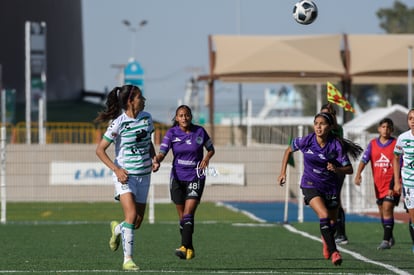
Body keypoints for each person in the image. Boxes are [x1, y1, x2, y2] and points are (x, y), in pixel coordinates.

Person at [278, 112, 362, 266]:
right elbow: (288, 150)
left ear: (329, 127)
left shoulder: (336, 145)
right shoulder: (307, 140)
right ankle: (334, 252)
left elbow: (349, 169)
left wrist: (337, 169)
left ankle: (326, 241)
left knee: (331, 222)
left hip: (330, 186)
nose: (318, 126)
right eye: (316, 123)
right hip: (310, 183)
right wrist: (282, 172)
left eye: (322, 123)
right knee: (323, 215)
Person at [95, 85, 159, 271]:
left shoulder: (147, 118)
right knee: (130, 216)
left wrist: (153, 158)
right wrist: (117, 170)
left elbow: (148, 142)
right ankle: (127, 260)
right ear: (130, 101)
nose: (144, 99)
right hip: (125, 176)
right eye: (140, 97)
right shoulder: (118, 123)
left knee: (137, 222)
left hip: (144, 175)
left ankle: (117, 229)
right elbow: (100, 150)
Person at [154, 105, 215, 260]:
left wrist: (206, 159)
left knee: (188, 213)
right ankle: (190, 247)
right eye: (181, 115)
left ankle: (183, 246)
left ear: (191, 116)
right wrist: (157, 161)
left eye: (186, 115)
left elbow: (211, 149)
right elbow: (162, 152)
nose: (184, 118)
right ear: (176, 118)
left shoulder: (200, 131)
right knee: (183, 218)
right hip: (177, 178)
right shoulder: (171, 133)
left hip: (196, 176)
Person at [354, 118, 399, 250]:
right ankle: (389, 235)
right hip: (378, 186)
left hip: (393, 183)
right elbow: (364, 159)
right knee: (382, 212)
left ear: (392, 130)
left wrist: (394, 184)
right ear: (379, 129)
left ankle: (385, 240)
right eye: (383, 127)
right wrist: (358, 174)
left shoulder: (396, 144)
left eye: (388, 127)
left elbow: (399, 163)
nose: (386, 129)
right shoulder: (373, 144)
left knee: (387, 208)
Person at [320, 103, 348, 245]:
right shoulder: (319, 130)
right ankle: (331, 231)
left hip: (336, 170)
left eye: (329, 114)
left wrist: (333, 116)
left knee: (335, 200)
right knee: (324, 202)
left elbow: (336, 128)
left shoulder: (336, 129)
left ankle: (341, 233)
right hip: (322, 171)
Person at [393, 108, 414, 253]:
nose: (413, 121)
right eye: (410, 118)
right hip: (409, 183)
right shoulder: (402, 138)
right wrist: (396, 181)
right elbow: (395, 158)